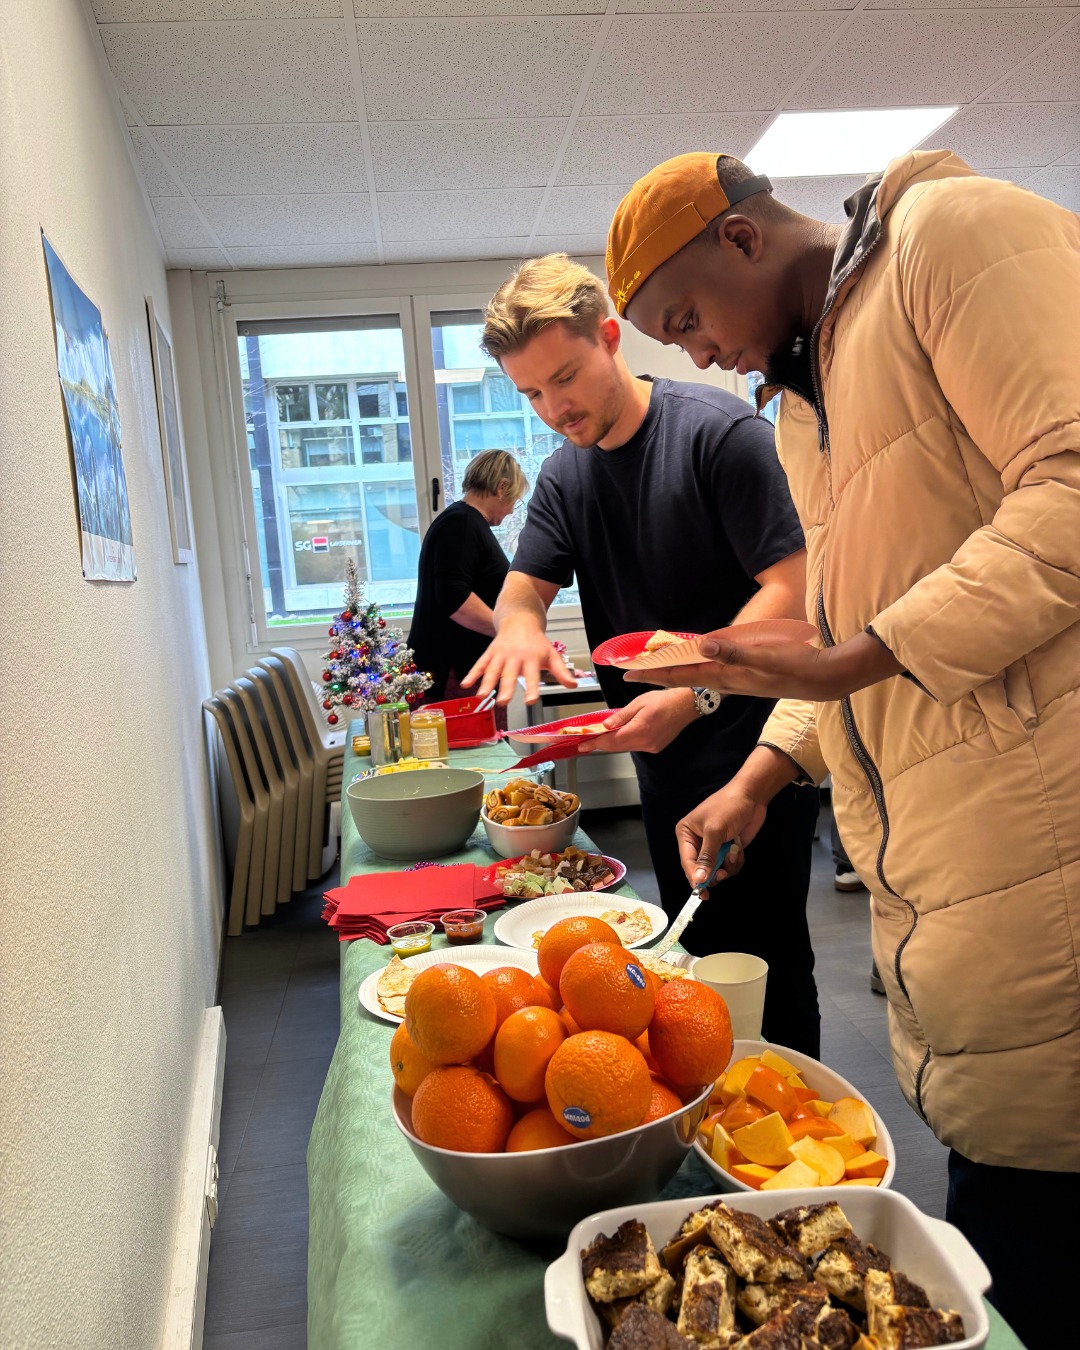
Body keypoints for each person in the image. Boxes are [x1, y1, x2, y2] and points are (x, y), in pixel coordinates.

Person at [606, 148, 1080, 1348]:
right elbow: (845, 634)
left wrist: (853, 656)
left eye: (687, 319)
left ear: (743, 240)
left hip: (1047, 855)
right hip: (950, 882)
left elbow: (1070, 487)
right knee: (1001, 1205)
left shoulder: (953, 236)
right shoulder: (804, 410)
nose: (699, 355)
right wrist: (761, 776)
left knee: (1041, 1220)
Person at [464, 253, 822, 1057]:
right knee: (693, 966)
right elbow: (523, 590)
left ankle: (793, 1116)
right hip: (664, 765)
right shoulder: (564, 476)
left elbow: (795, 589)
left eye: (564, 378)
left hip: (757, 754)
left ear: (609, 337)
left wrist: (694, 696)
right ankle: (712, 1115)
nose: (554, 408)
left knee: (764, 968)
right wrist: (518, 625)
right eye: (531, 393)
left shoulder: (718, 436)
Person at [407, 449, 527, 710]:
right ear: (501, 488)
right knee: (471, 739)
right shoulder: (462, 524)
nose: (510, 511)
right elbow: (454, 599)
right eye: (514, 500)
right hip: (454, 675)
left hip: (463, 671)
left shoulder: (464, 522)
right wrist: (508, 630)